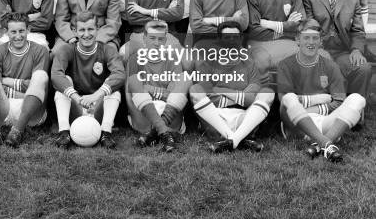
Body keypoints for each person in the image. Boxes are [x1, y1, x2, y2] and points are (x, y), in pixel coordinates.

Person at [278, 19, 366, 162]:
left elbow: (338, 101)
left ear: (320, 42)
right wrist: (317, 99)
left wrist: (309, 109)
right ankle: (327, 144)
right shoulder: (285, 65)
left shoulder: (330, 66)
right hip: (296, 125)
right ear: (297, 40)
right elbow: (284, 101)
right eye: (306, 37)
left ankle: (321, 144)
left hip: (326, 123)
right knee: (289, 98)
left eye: (315, 38)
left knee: (357, 98)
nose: (311, 42)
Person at [189, 22, 274, 153]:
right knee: (195, 90)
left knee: (268, 93)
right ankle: (239, 139)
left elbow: (252, 98)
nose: (231, 41)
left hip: (244, 118)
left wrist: (220, 90)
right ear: (219, 39)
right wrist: (240, 96)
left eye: (235, 37)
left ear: (241, 38)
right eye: (227, 37)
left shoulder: (249, 62)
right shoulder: (207, 61)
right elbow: (206, 94)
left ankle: (230, 140)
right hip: (217, 118)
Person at [51, 12, 124, 149]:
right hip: (76, 106)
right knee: (63, 81)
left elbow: (119, 74)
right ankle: (64, 132)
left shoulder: (108, 50)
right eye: (82, 30)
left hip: (98, 107)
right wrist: (78, 99)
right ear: (74, 31)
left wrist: (95, 96)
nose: (86, 34)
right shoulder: (66, 49)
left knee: (113, 86)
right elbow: (56, 75)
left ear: (97, 29)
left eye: (90, 29)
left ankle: (106, 132)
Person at [303, 0, 371, 99]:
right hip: (319, 51)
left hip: (343, 52)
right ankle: (325, 108)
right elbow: (308, 30)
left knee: (363, 68)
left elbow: (358, 31)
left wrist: (357, 50)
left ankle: (354, 109)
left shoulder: (353, 0)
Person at [0, 12, 50, 147]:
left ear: (28, 30)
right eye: (13, 32)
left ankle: (18, 130)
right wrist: (22, 90)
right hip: (3, 109)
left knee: (40, 76)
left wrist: (7, 81)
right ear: (6, 32)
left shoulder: (40, 51)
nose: (18, 36)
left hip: (31, 113)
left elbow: (35, 85)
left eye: (22, 31)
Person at [125, 20, 190, 151]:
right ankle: (165, 133)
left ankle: (156, 132)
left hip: (170, 113)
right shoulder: (134, 59)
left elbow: (173, 95)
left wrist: (149, 89)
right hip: (143, 114)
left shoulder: (172, 59)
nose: (156, 43)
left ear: (166, 40)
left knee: (185, 78)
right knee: (133, 80)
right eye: (152, 38)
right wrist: (159, 93)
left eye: (161, 39)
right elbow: (131, 93)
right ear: (144, 38)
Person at [246, 0, 304, 86]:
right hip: (259, 43)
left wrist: (267, 24)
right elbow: (254, 30)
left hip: (287, 43)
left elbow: (299, 27)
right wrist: (287, 26)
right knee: (261, 60)